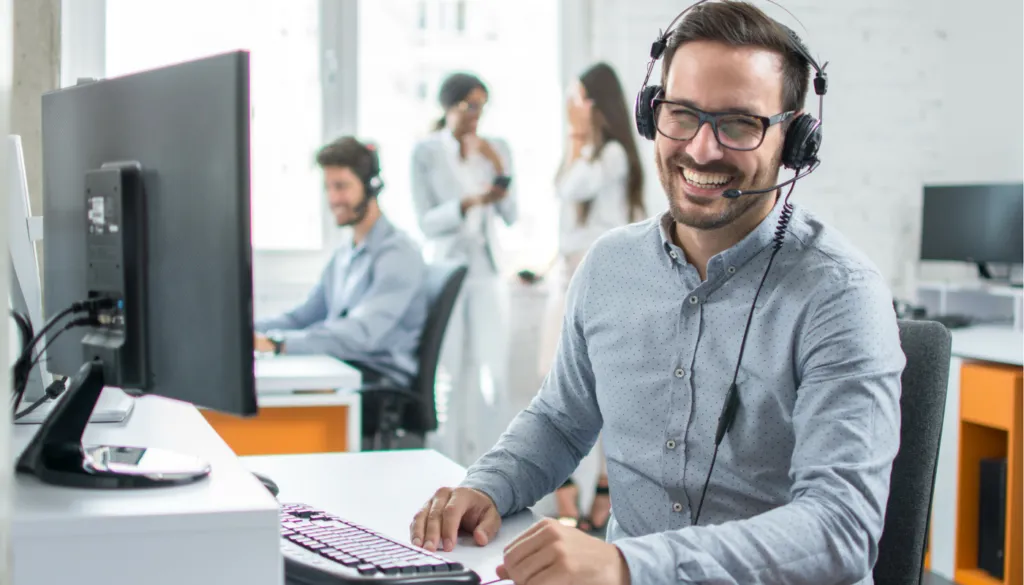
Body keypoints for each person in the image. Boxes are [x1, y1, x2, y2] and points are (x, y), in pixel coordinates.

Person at [409, 3, 905, 585]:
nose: (701, 149)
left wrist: (627, 564)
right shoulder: (610, 266)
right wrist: (486, 486)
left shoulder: (840, 296)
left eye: (740, 124)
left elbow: (841, 529)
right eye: (682, 114)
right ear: (652, 114)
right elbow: (561, 420)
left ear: (795, 140)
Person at [541, 62, 646, 534]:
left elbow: (571, 186)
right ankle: (568, 493)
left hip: (599, 284)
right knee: (553, 388)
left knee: (600, 390)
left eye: (580, 99)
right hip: (565, 279)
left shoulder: (614, 156)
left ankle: (599, 492)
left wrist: (578, 139)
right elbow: (563, 196)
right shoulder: (588, 152)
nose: (574, 109)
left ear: (599, 104)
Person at [255, 136, 428, 394]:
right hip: (343, 367)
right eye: (328, 187)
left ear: (372, 186)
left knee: (279, 396)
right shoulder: (345, 254)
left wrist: (277, 344)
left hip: (377, 380)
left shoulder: (398, 254)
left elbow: (361, 334)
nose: (333, 198)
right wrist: (247, 333)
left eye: (342, 186)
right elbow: (301, 317)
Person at [410, 72, 517, 467]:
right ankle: (442, 466)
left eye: (481, 107)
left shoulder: (496, 148)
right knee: (448, 375)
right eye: (469, 106)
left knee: (492, 377)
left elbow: (511, 213)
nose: (476, 115)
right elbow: (426, 221)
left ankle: (496, 469)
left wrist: (496, 166)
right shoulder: (426, 152)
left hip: (486, 272)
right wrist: (468, 203)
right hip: (448, 270)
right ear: (448, 106)